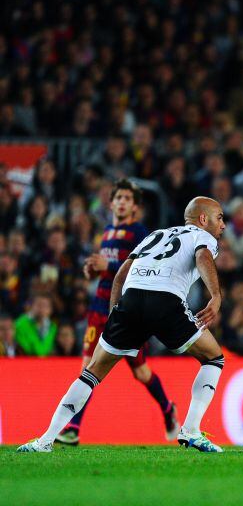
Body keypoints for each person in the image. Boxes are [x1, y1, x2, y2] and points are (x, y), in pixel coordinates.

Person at [18, 197, 227, 453]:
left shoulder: (156, 234)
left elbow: (120, 275)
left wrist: (115, 316)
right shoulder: (202, 237)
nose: (223, 225)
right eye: (219, 218)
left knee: (91, 372)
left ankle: (44, 440)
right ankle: (191, 430)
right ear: (203, 219)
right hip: (165, 300)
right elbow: (203, 256)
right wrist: (215, 296)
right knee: (214, 358)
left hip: (130, 301)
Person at [57, 179, 179, 446]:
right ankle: (74, 428)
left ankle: (167, 409)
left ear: (135, 206)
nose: (122, 202)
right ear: (111, 203)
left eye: (127, 198)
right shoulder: (108, 231)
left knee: (141, 372)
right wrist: (94, 270)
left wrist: (108, 264)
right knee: (88, 366)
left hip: (126, 312)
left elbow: (142, 267)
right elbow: (109, 270)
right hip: (98, 308)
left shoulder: (139, 232)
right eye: (118, 198)